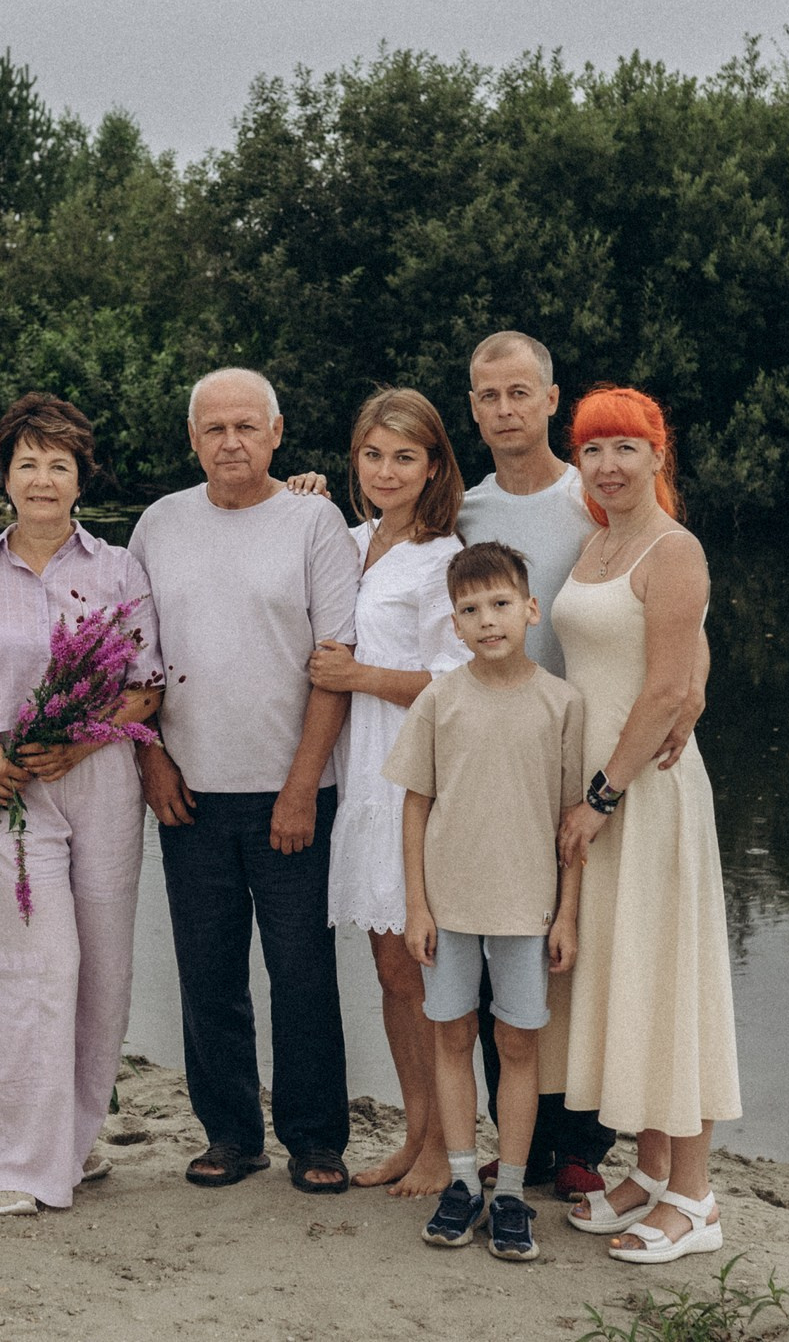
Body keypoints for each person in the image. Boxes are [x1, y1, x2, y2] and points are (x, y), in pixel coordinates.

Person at [459, 330, 700, 1202]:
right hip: (512, 753)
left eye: (520, 392)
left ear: (550, 401)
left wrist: (692, 688)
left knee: (591, 946)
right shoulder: (469, 508)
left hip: (607, 752)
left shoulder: (594, 496)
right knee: (511, 942)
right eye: (489, 396)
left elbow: (675, 603)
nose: (505, 410)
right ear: (474, 406)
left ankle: (580, 1147)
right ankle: (512, 1130)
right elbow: (389, 530)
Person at [0, 394, 163, 1216]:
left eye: (59, 463)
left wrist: (81, 740)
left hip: (97, 783)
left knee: (101, 972)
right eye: (27, 462)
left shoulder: (119, 568)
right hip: (6, 789)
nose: (43, 478)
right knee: (36, 969)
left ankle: (72, 1142)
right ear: (5, 475)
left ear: (80, 476)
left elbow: (143, 688)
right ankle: (17, 1166)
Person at [130, 367, 362, 1194]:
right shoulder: (159, 524)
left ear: (276, 431)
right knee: (208, 971)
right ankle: (230, 1132)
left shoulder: (314, 521)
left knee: (302, 970)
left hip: (292, 788)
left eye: (246, 426)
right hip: (188, 789)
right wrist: (149, 756)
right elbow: (133, 658)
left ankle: (315, 1137)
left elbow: (336, 667)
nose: (230, 441)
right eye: (214, 428)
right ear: (192, 439)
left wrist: (302, 785)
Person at [550, 386, 742, 1266]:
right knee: (626, 975)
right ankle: (654, 1174)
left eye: (627, 447)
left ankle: (697, 1199)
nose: (610, 465)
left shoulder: (674, 546)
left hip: (645, 796)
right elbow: (677, 650)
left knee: (669, 980)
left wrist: (600, 795)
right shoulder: (599, 541)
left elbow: (666, 687)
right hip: (605, 786)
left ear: (658, 456)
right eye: (593, 450)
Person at [388, 540, 587, 1265]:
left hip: (527, 910)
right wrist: (417, 904)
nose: (487, 619)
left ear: (531, 609)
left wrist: (566, 913)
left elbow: (573, 822)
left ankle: (511, 1190)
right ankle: (463, 1179)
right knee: (451, 1035)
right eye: (470, 609)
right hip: (451, 907)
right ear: (455, 623)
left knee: (518, 1044)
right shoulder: (440, 698)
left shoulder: (561, 703)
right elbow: (415, 806)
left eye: (501, 603)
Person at [301, 389, 467, 1196]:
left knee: (422, 967)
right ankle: (414, 1130)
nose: (387, 470)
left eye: (405, 456)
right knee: (389, 968)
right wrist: (299, 497)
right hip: (356, 780)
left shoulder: (443, 557)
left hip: (413, 782)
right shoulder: (351, 538)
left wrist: (361, 675)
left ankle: (446, 1144)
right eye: (373, 454)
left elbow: (459, 678)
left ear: (433, 464)